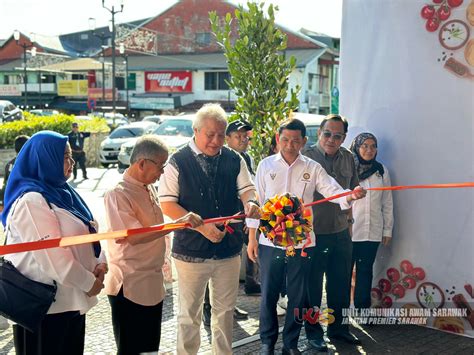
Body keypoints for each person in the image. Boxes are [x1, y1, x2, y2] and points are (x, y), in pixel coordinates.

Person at [247, 119, 366, 355]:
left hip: (302, 243)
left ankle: (290, 344)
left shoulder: (312, 167)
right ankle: (266, 342)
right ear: (278, 139)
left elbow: (332, 190)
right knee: (268, 292)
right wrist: (252, 238)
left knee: (298, 295)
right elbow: (256, 203)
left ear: (304, 141)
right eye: (285, 139)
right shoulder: (265, 165)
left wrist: (350, 196)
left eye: (295, 140)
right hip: (270, 242)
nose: (290, 145)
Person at [158, 103, 260, 355]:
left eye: (221, 135)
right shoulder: (177, 162)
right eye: (210, 134)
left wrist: (252, 202)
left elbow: (247, 189)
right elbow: (167, 203)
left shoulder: (234, 158)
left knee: (224, 313)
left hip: (228, 249)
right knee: (188, 316)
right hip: (190, 252)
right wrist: (202, 228)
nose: (216, 141)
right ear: (196, 130)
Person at [1, 131, 106, 355]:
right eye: (65, 156)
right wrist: (90, 282)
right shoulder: (32, 200)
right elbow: (53, 257)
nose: (71, 161)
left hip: (72, 303)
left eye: (71, 156)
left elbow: (90, 229)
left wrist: (100, 262)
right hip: (45, 309)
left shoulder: (64, 192)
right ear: (45, 158)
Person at [103, 135, 203, 355]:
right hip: (130, 285)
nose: (162, 172)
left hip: (152, 282)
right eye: (161, 166)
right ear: (141, 163)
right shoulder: (117, 194)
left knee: (150, 349)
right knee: (131, 349)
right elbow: (134, 236)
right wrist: (176, 225)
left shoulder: (149, 188)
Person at [302, 114, 363, 350]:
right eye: (327, 134)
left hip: (340, 233)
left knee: (340, 285)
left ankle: (339, 330)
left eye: (337, 136)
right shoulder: (306, 157)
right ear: (319, 133)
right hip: (312, 234)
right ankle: (313, 334)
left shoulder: (349, 158)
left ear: (344, 138)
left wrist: (349, 224)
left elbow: (352, 191)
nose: (331, 139)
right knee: (312, 288)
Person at [201, 119, 257, 327]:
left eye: (246, 136)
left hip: (240, 219)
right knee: (213, 265)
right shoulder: (218, 159)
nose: (244, 140)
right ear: (227, 138)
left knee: (232, 266)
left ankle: (229, 305)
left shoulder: (246, 158)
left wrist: (247, 215)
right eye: (239, 136)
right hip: (221, 221)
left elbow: (248, 191)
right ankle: (208, 308)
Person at [349, 133, 393, 312]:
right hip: (349, 231)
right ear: (357, 147)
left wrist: (387, 230)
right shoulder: (349, 169)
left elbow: (387, 202)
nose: (369, 150)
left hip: (372, 231)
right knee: (343, 273)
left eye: (373, 146)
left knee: (365, 271)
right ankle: (342, 312)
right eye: (365, 146)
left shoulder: (381, 171)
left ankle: (362, 309)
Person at [0, 135, 29, 207]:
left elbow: (5, 185)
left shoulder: (9, 164)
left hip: (9, 203)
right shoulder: (30, 163)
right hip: (24, 204)